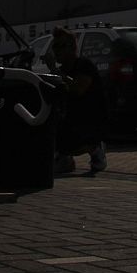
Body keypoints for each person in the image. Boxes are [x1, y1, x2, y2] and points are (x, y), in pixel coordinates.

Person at [44, 28, 107, 175]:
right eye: (55, 47)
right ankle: (64, 157)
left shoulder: (84, 66)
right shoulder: (62, 70)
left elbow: (77, 89)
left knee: (72, 138)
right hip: (71, 117)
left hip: (90, 119)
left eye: (61, 47)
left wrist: (55, 70)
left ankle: (95, 148)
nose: (57, 51)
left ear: (72, 48)